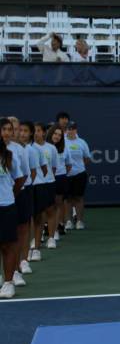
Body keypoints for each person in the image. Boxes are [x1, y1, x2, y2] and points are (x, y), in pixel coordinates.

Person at [2, 118, 30, 288]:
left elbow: (22, 177)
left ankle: (12, 277)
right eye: (3, 129)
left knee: (11, 240)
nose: (6, 132)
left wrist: (10, 195)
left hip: (11, 201)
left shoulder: (14, 152)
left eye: (9, 129)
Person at [17, 121, 39, 275]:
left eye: (25, 131)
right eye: (19, 130)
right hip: (7, 194)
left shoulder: (30, 151)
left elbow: (31, 172)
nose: (21, 133)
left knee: (24, 226)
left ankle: (24, 260)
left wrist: (21, 188)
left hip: (25, 190)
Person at [47, 124, 72, 245]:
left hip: (60, 178)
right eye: (55, 134)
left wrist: (60, 174)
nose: (56, 136)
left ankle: (55, 230)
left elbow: (69, 164)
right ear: (50, 133)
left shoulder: (64, 147)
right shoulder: (43, 146)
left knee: (57, 205)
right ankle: (42, 233)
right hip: (45, 180)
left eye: (59, 135)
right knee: (46, 207)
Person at [64, 122, 91, 230]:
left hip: (80, 174)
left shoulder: (82, 142)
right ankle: (68, 221)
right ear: (66, 130)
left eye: (72, 129)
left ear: (76, 130)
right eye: (68, 129)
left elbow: (87, 158)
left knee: (79, 198)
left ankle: (79, 221)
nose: (70, 131)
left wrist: (78, 167)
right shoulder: (63, 142)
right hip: (66, 175)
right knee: (67, 199)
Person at [29, 123, 49, 262]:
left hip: (38, 186)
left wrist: (35, 181)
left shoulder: (38, 150)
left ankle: (36, 248)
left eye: (37, 131)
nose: (36, 133)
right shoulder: (14, 149)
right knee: (26, 220)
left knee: (38, 217)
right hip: (24, 189)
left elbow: (45, 169)